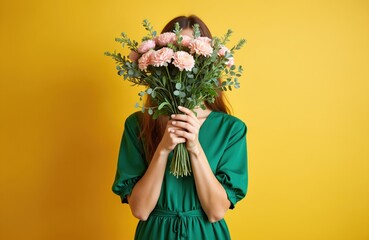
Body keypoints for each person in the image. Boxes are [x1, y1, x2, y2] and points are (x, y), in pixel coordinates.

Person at [112, 15, 248, 240]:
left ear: (208, 62)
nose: (182, 64)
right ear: (158, 62)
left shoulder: (231, 130)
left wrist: (195, 148)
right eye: (175, 52)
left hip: (205, 234)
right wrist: (163, 150)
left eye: (192, 52)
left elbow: (216, 212)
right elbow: (140, 210)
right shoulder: (137, 124)